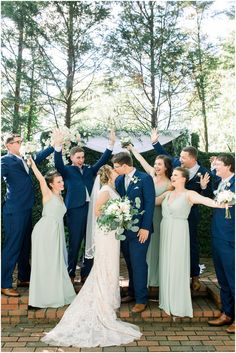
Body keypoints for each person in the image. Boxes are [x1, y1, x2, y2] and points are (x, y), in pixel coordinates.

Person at [41, 165, 142, 348]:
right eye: (113, 170)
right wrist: (117, 214)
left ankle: (109, 298)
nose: (115, 171)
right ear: (108, 175)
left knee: (111, 265)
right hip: (106, 233)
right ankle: (103, 300)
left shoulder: (113, 188)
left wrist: (120, 215)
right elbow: (97, 211)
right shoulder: (104, 190)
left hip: (112, 234)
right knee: (105, 265)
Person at [157, 167, 227, 318]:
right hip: (166, 229)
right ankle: (167, 299)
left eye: (175, 175)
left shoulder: (189, 194)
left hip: (179, 231)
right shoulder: (167, 193)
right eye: (172, 175)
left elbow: (205, 200)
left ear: (184, 178)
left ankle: (177, 302)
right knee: (167, 263)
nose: (172, 177)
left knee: (177, 264)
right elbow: (151, 201)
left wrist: (220, 204)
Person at [151, 128, 212, 291]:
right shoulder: (177, 165)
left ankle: (194, 277)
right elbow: (166, 156)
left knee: (191, 244)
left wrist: (204, 188)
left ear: (192, 159)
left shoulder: (204, 173)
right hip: (172, 211)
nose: (180, 159)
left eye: (183, 157)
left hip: (189, 214)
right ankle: (172, 274)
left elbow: (208, 196)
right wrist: (155, 142)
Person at [53, 129, 115, 284]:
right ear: (72, 157)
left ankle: (87, 272)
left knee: (92, 239)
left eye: (82, 157)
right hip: (75, 210)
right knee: (75, 242)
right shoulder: (66, 171)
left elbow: (102, 160)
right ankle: (70, 272)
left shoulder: (90, 170)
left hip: (92, 209)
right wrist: (58, 145)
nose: (81, 159)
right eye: (78, 157)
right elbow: (58, 162)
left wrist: (111, 144)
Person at [1, 134, 54, 297]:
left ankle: (23, 277)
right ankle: (4, 283)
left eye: (21, 142)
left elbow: (39, 155)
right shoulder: (5, 160)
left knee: (25, 245)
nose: (20, 144)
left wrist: (54, 145)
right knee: (13, 246)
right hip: (14, 210)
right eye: (17, 142)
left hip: (26, 208)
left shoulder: (25, 158)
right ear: (9, 145)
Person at [27, 158, 76, 308]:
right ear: (51, 184)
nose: (62, 184)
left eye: (62, 181)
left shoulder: (60, 196)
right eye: (58, 182)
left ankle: (56, 292)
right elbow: (41, 179)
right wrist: (33, 165)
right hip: (45, 232)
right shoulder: (48, 194)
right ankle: (40, 298)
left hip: (57, 232)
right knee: (45, 263)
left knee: (56, 263)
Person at [112, 152, 155, 313]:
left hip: (140, 231)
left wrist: (145, 228)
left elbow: (150, 203)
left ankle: (142, 299)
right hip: (124, 230)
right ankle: (131, 292)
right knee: (129, 262)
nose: (115, 170)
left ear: (125, 165)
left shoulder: (144, 178)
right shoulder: (118, 179)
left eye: (116, 167)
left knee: (138, 263)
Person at [126, 144, 172, 292]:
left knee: (156, 247)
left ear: (166, 167)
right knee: (143, 249)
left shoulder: (170, 184)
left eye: (160, 164)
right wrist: (132, 149)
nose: (156, 166)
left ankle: (154, 279)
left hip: (157, 218)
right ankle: (143, 280)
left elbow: (157, 201)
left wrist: (150, 198)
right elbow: (142, 161)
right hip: (144, 217)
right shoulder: (150, 175)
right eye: (155, 164)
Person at [208, 154, 235, 334]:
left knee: (233, 278)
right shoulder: (221, 183)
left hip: (230, 237)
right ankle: (227, 313)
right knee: (223, 278)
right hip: (218, 235)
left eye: (217, 165)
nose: (215, 168)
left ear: (229, 166)